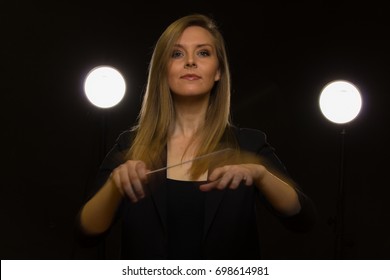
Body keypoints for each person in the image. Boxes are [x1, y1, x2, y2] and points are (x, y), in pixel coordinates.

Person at [75, 13, 316, 260]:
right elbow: (85, 235)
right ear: (162, 70)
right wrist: (115, 185)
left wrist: (261, 175)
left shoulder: (249, 144)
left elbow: (303, 219)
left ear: (218, 71)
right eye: (177, 54)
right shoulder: (130, 145)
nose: (190, 62)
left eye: (203, 53)